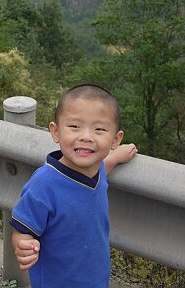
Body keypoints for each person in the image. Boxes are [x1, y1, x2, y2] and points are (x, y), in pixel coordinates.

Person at [9, 84, 137, 288]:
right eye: (75, 127)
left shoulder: (97, 171)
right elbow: (22, 228)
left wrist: (117, 156)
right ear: (56, 131)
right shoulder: (44, 184)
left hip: (95, 280)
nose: (86, 136)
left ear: (115, 139)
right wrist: (22, 244)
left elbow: (104, 168)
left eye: (99, 129)